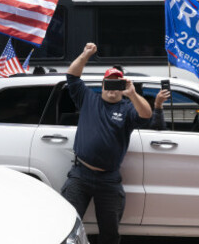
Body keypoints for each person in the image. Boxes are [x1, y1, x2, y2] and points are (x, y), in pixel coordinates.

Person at [61, 43, 152, 244]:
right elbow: (72, 77)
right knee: (65, 224)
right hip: (80, 174)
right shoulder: (88, 99)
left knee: (110, 233)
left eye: (117, 84)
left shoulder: (127, 107)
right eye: (109, 83)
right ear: (102, 84)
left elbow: (146, 115)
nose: (112, 88)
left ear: (123, 87)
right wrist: (86, 54)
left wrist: (132, 93)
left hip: (109, 179)